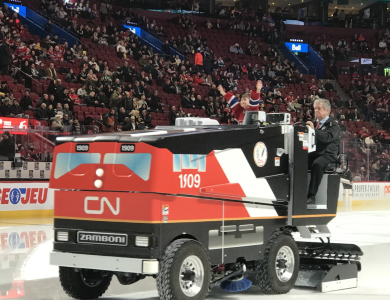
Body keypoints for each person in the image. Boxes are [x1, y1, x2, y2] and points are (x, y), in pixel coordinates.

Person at [306, 99, 341, 204]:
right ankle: (297, 192)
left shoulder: (333, 125)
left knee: (317, 164)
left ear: (326, 110)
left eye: (319, 108)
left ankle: (311, 196)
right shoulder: (315, 123)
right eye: (315, 109)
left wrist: (313, 130)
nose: (316, 111)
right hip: (316, 152)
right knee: (299, 160)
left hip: (329, 154)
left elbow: (327, 138)